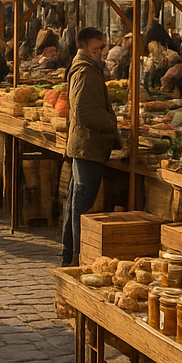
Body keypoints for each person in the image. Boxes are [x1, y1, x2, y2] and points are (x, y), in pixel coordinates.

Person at [61, 28, 119, 266]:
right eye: (96, 48)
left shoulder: (87, 68)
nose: (100, 52)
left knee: (77, 200)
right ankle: (75, 254)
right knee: (81, 203)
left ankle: (69, 251)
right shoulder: (84, 72)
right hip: (88, 146)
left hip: (85, 145)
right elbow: (85, 112)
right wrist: (112, 123)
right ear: (83, 46)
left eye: (102, 47)